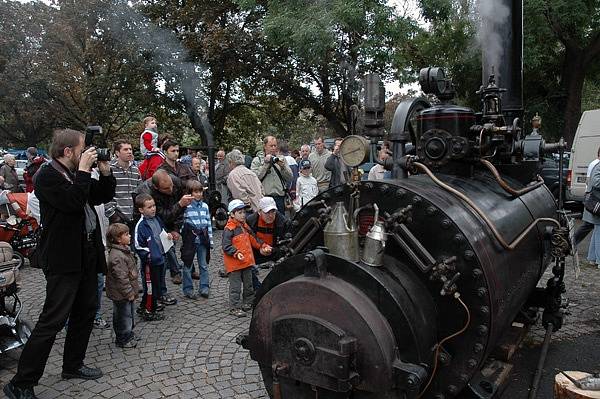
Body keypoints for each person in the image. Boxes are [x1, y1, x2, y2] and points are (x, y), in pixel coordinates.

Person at [4, 129, 116, 399]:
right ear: (68, 152)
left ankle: (73, 364)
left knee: (85, 311)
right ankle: (20, 383)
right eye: (82, 150)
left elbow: (98, 196)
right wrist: (85, 171)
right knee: (52, 320)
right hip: (63, 258)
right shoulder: (47, 176)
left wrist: (105, 171)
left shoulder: (74, 174)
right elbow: (74, 202)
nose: (86, 153)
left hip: (85, 254)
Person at [135, 170, 193, 301]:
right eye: (167, 189)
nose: (171, 190)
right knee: (150, 271)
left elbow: (178, 212)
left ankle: (162, 293)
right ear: (156, 187)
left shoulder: (175, 182)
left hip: (162, 229)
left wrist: (175, 229)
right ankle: (151, 299)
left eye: (171, 186)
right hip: (150, 243)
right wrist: (179, 204)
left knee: (162, 264)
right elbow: (163, 215)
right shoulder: (145, 193)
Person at [222, 199, 271, 318]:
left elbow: (254, 239)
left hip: (247, 263)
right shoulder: (229, 229)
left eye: (244, 212)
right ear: (232, 214)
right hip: (234, 265)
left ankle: (248, 303)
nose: (243, 215)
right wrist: (236, 253)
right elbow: (226, 246)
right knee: (235, 287)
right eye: (240, 212)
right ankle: (234, 307)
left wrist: (263, 246)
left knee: (249, 285)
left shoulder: (245, 226)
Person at [134, 193, 168, 321]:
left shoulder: (157, 219)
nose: (153, 209)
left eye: (153, 206)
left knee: (157, 285)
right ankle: (149, 310)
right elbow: (138, 245)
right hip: (150, 262)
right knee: (150, 287)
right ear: (141, 210)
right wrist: (149, 255)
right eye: (149, 207)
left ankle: (148, 305)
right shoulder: (141, 225)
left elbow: (162, 232)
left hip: (160, 258)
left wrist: (168, 236)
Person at [105, 223, 139, 348]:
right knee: (123, 316)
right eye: (126, 234)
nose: (130, 236)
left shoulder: (123, 250)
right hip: (121, 294)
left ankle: (129, 333)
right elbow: (121, 279)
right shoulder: (117, 256)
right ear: (118, 239)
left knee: (128, 314)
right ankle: (123, 338)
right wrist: (129, 292)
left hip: (126, 292)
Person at [180, 180, 213, 299]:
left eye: (200, 192)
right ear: (190, 193)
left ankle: (204, 287)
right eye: (195, 192)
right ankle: (188, 289)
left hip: (203, 239)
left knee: (203, 265)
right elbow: (182, 223)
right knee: (187, 265)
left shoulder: (205, 206)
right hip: (190, 240)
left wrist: (211, 240)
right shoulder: (186, 207)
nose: (198, 194)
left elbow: (208, 223)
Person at [251, 136, 293, 213]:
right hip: (265, 198)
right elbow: (255, 178)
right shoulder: (257, 160)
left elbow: (290, 177)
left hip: (279, 198)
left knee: (280, 223)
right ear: (265, 146)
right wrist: (266, 164)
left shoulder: (281, 159)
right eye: (271, 146)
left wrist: (283, 167)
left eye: (275, 145)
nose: (273, 148)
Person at [105, 140, 141, 227]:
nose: (129, 152)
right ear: (117, 152)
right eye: (125, 149)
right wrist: (112, 214)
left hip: (133, 216)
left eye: (130, 149)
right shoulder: (108, 169)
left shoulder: (135, 170)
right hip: (117, 217)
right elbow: (104, 193)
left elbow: (140, 191)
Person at [247, 196, 291, 266]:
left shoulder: (283, 222)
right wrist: (260, 248)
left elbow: (288, 244)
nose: (271, 215)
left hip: (275, 256)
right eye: (267, 212)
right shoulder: (251, 221)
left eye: (273, 212)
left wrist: (273, 250)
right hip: (256, 255)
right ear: (259, 212)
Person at [575, 147, 600, 246]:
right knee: (589, 225)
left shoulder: (594, 163)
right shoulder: (596, 164)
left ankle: (572, 244)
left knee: (590, 225)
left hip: (591, 197)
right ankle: (571, 243)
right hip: (593, 198)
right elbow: (591, 181)